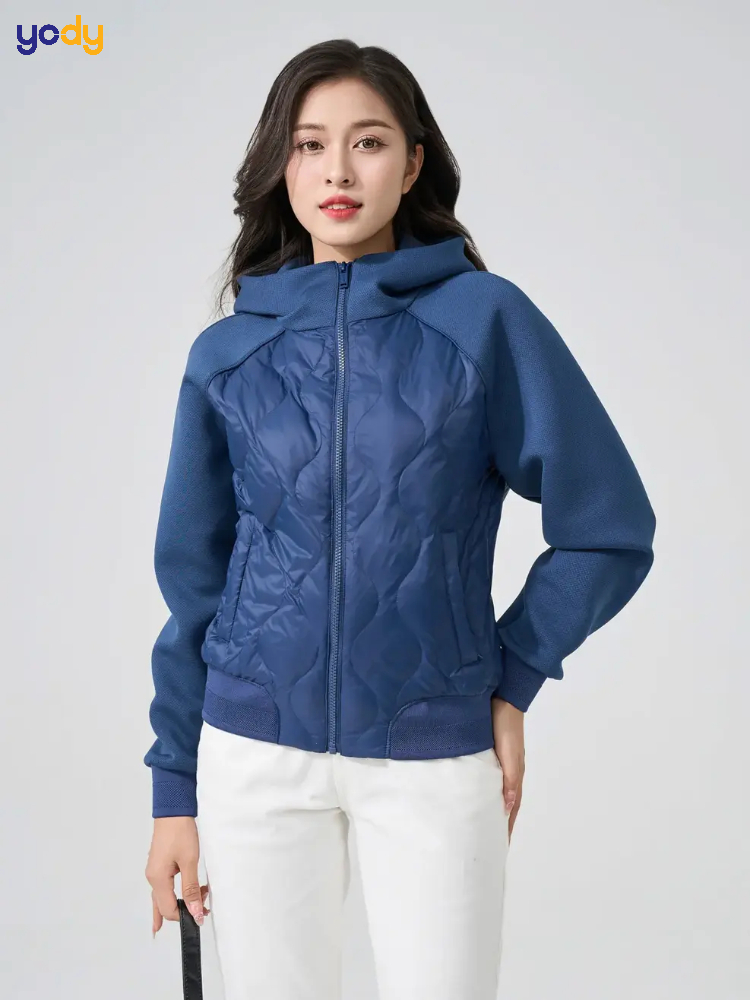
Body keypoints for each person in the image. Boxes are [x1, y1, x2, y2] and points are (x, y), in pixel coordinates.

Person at [143, 38, 656, 1000]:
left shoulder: (483, 322)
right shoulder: (229, 354)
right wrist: (176, 788)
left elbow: (609, 526)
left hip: (433, 750)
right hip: (253, 754)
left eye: (369, 141)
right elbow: (194, 583)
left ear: (413, 163)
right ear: (281, 165)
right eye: (310, 144)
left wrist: (512, 679)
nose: (338, 170)